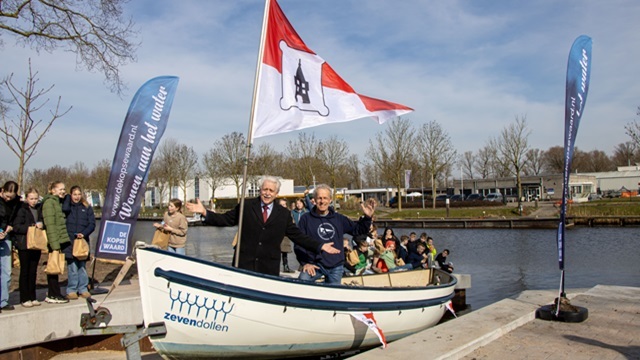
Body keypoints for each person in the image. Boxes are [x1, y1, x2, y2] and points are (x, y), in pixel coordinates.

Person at [186, 176, 339, 276]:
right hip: (244, 264)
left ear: (276, 193)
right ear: (260, 190)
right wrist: (205, 213)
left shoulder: (283, 214)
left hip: (268, 268)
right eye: (264, 190)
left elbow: (298, 237)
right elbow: (226, 220)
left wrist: (320, 246)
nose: (267, 193)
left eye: (271, 190)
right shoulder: (246, 205)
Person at [296, 184, 375, 284]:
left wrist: (367, 218)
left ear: (330, 200)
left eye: (325, 198)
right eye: (319, 198)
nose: (322, 201)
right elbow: (299, 243)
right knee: (302, 284)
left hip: (335, 266)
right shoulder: (305, 219)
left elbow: (358, 230)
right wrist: (305, 263)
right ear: (314, 200)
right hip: (314, 264)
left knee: (333, 294)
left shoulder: (338, 218)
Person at [12, 187, 44, 307]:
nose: (34, 201)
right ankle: (24, 297)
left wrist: (41, 225)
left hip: (35, 244)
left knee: (33, 271)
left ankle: (33, 296)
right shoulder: (22, 210)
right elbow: (17, 227)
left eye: (36, 198)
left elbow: (42, 222)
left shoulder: (38, 209)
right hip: (24, 244)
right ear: (26, 198)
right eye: (31, 199)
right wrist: (31, 227)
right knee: (25, 271)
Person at [62, 185, 96, 300]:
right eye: (74, 194)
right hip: (70, 242)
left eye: (78, 194)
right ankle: (71, 289)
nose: (76, 197)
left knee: (82, 267)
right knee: (72, 267)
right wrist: (66, 198)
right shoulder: (67, 207)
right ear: (70, 195)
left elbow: (92, 224)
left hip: (82, 241)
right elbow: (64, 210)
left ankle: (83, 288)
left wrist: (84, 233)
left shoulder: (86, 207)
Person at [42, 181, 70, 304]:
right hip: (55, 241)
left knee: (56, 268)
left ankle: (54, 292)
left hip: (58, 240)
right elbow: (50, 225)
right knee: (53, 268)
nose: (63, 191)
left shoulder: (57, 202)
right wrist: (55, 245)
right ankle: (54, 294)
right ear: (53, 190)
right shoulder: (49, 203)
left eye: (64, 189)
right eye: (60, 189)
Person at [0, 180, 21, 311]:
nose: (8, 199)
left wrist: (10, 228)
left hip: (6, 237)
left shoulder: (16, 203)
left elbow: (15, 219)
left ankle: (3, 300)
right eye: (6, 196)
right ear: (2, 191)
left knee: (6, 271)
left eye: (11, 197)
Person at [278, 198, 293, 273]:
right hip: (277, 234)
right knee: (276, 251)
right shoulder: (276, 212)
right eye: (281, 204)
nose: (283, 206)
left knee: (285, 252)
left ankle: (286, 266)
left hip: (285, 235)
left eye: (284, 204)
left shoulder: (288, 213)